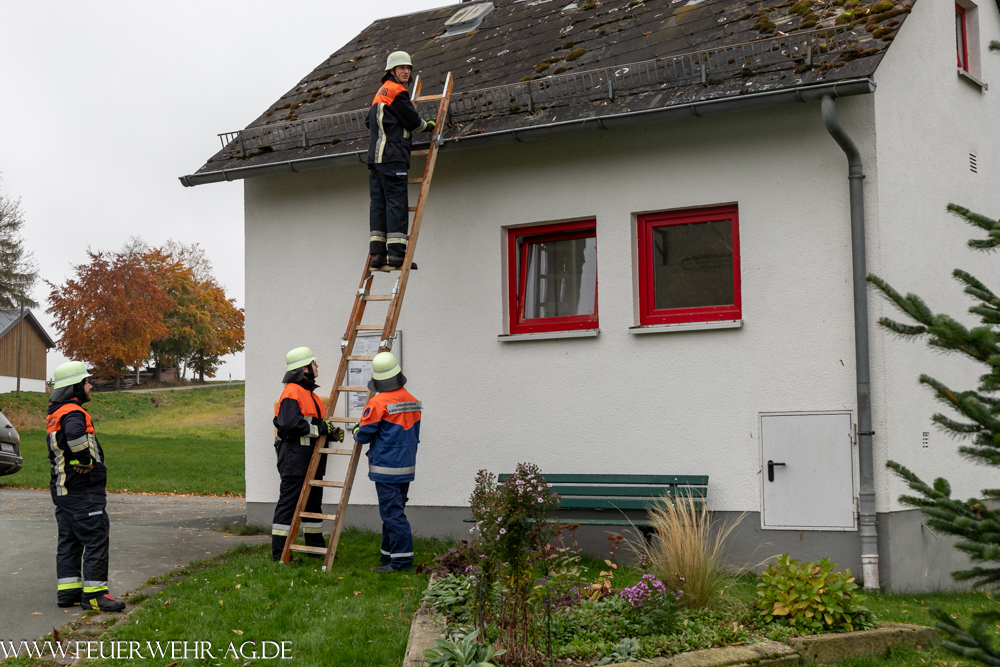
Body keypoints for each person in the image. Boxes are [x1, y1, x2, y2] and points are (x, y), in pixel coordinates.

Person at [46, 361, 125, 612]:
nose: (90, 386)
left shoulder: (56, 412)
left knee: (69, 540)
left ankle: (68, 592)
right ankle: (94, 595)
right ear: (75, 387)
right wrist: (85, 460)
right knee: (96, 537)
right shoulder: (74, 412)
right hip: (82, 490)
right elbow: (76, 436)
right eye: (86, 382)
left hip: (63, 490)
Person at [365, 50, 437, 269]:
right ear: (392, 71)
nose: (406, 71)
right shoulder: (398, 92)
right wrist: (429, 126)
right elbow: (413, 121)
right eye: (402, 68)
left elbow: (368, 122)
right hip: (393, 157)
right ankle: (396, 255)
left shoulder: (381, 92)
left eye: (408, 68)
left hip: (375, 159)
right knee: (396, 203)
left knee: (379, 204)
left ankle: (377, 255)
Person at [271, 347, 344, 562]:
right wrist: (320, 430)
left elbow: (312, 425)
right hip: (295, 459)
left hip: (310, 458)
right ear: (304, 368)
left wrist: (329, 433)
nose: (317, 366)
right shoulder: (293, 391)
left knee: (313, 505)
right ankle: (280, 555)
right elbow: (290, 424)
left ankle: (315, 549)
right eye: (314, 363)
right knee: (289, 505)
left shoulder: (308, 394)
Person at [352, 351, 421, 573]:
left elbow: (363, 435)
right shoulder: (411, 399)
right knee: (392, 512)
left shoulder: (378, 402)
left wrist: (356, 428)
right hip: (406, 466)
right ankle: (388, 556)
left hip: (386, 468)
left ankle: (401, 563)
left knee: (393, 515)